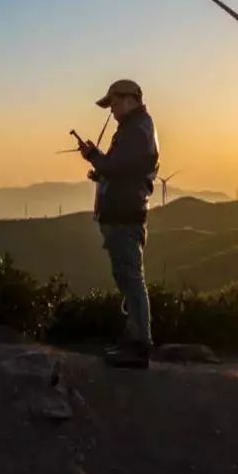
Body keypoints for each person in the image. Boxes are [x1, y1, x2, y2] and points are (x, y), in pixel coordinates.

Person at [79, 79, 160, 368]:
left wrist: (93, 157)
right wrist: (102, 172)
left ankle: (139, 345)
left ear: (130, 99)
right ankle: (132, 339)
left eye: (113, 103)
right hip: (121, 214)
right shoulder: (133, 129)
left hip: (125, 216)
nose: (111, 109)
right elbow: (122, 171)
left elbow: (117, 167)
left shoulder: (137, 130)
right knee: (127, 279)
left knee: (131, 279)